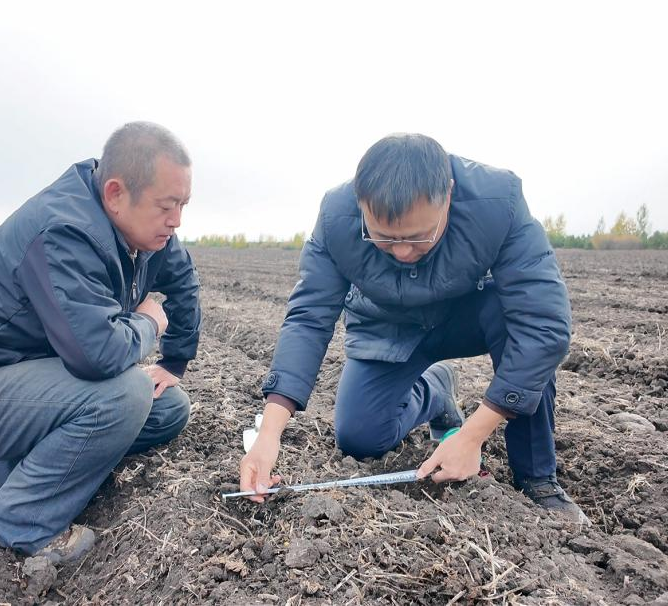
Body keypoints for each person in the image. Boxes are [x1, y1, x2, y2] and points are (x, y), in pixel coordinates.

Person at [239, 133, 587, 521]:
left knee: (518, 323)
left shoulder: (497, 202)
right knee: (359, 437)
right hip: (388, 327)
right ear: (360, 204)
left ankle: (537, 476)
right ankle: (436, 391)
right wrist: (268, 434)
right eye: (384, 239)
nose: (402, 252)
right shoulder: (336, 217)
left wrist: (471, 436)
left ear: (449, 196)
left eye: (418, 237)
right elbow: (308, 318)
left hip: (464, 318)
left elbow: (542, 325)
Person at [0, 122, 201, 562]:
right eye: (167, 205)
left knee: (166, 407)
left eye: (182, 204)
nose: (176, 220)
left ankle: (11, 480)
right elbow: (98, 357)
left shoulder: (147, 232)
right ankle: (23, 524)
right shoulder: (64, 231)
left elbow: (183, 284)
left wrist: (174, 362)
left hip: (23, 379)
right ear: (116, 194)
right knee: (124, 394)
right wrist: (148, 324)